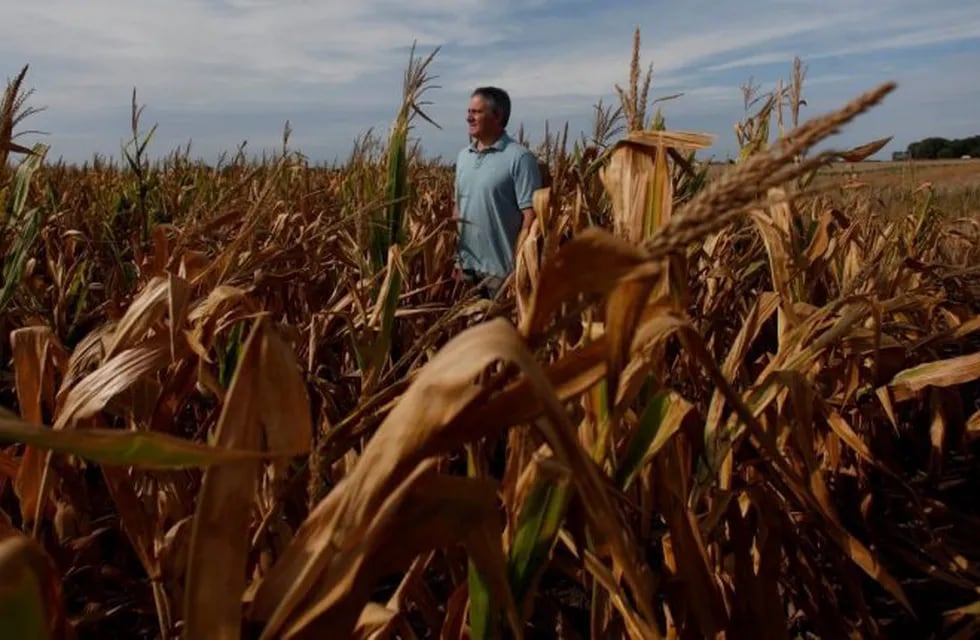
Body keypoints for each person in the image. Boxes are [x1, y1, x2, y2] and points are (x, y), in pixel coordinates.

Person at [453, 86, 541, 299]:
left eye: (476, 112)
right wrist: (457, 259)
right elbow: (458, 209)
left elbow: (531, 219)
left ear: (497, 116)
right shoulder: (464, 157)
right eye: (468, 112)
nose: (469, 118)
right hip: (467, 270)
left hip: (502, 275)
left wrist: (519, 271)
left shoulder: (520, 158)